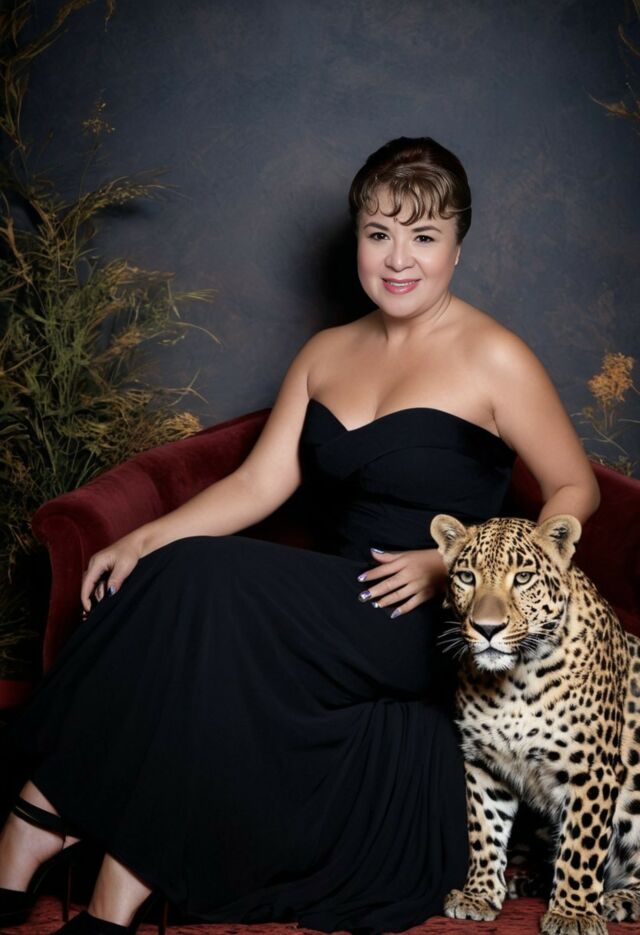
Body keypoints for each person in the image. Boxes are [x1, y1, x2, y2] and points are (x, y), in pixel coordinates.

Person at [0, 137, 600, 935]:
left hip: (426, 619)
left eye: (423, 236)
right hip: (337, 603)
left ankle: (36, 817)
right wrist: (144, 538)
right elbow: (258, 483)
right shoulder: (326, 352)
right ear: (357, 239)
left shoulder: (495, 356)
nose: (399, 259)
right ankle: (107, 880)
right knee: (177, 579)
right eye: (379, 233)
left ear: (458, 247)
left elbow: (577, 488)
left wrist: (452, 563)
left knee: (201, 580)